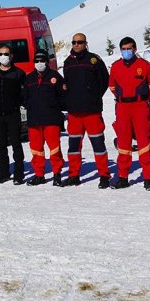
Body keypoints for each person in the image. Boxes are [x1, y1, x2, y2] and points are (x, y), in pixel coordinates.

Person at [61, 33, 111, 188]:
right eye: (74, 42)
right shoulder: (68, 63)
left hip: (92, 112)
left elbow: (104, 81)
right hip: (74, 113)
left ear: (85, 43)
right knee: (74, 147)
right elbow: (66, 86)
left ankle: (104, 175)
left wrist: (94, 97)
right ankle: (73, 175)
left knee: (98, 145)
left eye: (79, 42)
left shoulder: (94, 61)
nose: (76, 45)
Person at [109, 37, 150, 190]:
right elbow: (112, 86)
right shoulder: (116, 66)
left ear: (135, 49)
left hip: (140, 107)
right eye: (123, 49)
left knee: (144, 142)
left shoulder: (144, 65)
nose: (126, 51)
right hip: (123, 107)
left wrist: (143, 99)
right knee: (123, 144)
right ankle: (123, 177)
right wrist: (122, 98)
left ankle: (148, 178)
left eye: (129, 48)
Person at [22, 50, 66, 186]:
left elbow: (62, 96)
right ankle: (39, 174)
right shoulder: (29, 78)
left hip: (51, 119)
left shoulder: (55, 76)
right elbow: (23, 97)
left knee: (54, 148)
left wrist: (54, 108)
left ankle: (57, 173)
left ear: (46, 61)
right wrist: (30, 106)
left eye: (41, 60)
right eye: (37, 61)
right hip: (34, 120)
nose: (39, 63)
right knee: (36, 149)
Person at [0, 44, 27, 184]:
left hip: (13, 113)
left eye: (6, 54)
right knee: (1, 145)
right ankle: (2, 174)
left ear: (11, 56)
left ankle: (19, 174)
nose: (3, 57)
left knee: (16, 144)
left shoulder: (18, 73)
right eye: (1, 54)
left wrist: (21, 104)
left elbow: (24, 93)